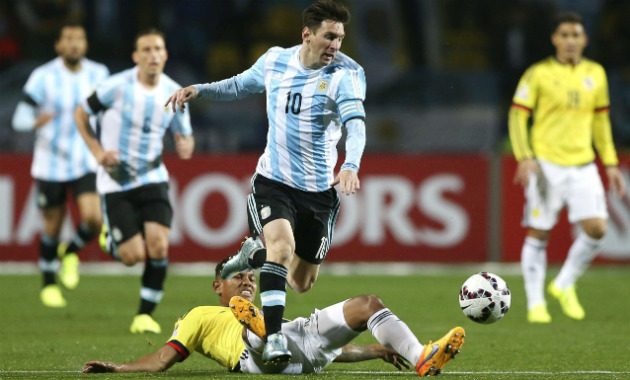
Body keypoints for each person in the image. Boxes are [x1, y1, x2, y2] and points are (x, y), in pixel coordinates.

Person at [165, 0, 366, 363]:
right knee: (282, 248)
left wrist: (350, 164)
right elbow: (240, 85)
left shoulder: (347, 75)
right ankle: (273, 339)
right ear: (307, 34)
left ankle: (252, 256)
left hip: (320, 193)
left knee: (301, 282)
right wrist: (200, 89)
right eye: (329, 36)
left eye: (340, 38)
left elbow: (356, 126)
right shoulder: (275, 60)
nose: (336, 45)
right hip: (273, 181)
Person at [82, 256, 465, 376]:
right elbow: (164, 358)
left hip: (295, 343)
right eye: (238, 277)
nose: (248, 280)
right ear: (217, 286)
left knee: (368, 303)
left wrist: (377, 351)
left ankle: (421, 357)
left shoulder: (262, 309)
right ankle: (265, 333)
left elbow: (334, 353)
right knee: (259, 329)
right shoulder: (198, 315)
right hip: (252, 355)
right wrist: (120, 369)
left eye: (251, 276)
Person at [74, 28, 195, 334]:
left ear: (165, 54)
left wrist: (186, 144)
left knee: (158, 246)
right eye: (146, 50)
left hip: (153, 178)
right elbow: (80, 114)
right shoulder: (115, 87)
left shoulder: (175, 93)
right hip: (116, 182)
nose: (153, 55)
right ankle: (110, 240)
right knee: (132, 257)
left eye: (158, 49)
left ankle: (144, 315)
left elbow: (186, 135)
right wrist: (98, 151)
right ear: (136, 56)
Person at [508, 12, 626, 324]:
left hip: (583, 164)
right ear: (555, 39)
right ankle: (536, 303)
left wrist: (611, 163)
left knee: (598, 229)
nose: (570, 40)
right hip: (546, 164)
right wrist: (525, 156)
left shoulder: (595, 73)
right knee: (540, 231)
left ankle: (562, 284)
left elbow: (601, 121)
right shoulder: (538, 74)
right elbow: (517, 115)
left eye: (576, 35)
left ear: (585, 40)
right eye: (565, 35)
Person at [11, 23, 109, 308]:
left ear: (85, 45)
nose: (75, 43)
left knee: (93, 219)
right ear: (58, 46)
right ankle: (49, 284)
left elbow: (108, 111)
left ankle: (71, 251)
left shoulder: (99, 74)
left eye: (79, 38)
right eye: (68, 39)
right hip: (50, 163)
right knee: (51, 226)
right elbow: (19, 118)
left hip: (84, 159)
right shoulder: (43, 77)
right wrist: (34, 121)